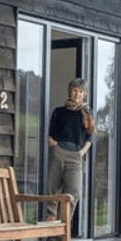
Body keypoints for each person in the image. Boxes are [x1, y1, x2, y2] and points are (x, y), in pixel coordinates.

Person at [46, 78, 95, 227]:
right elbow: (50, 134)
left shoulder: (87, 113)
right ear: (69, 92)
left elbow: (90, 138)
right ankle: (51, 225)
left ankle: (63, 226)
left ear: (84, 94)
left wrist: (81, 153)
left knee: (72, 193)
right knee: (53, 191)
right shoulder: (59, 112)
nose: (77, 94)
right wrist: (54, 145)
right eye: (74, 90)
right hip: (58, 153)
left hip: (75, 157)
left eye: (80, 91)